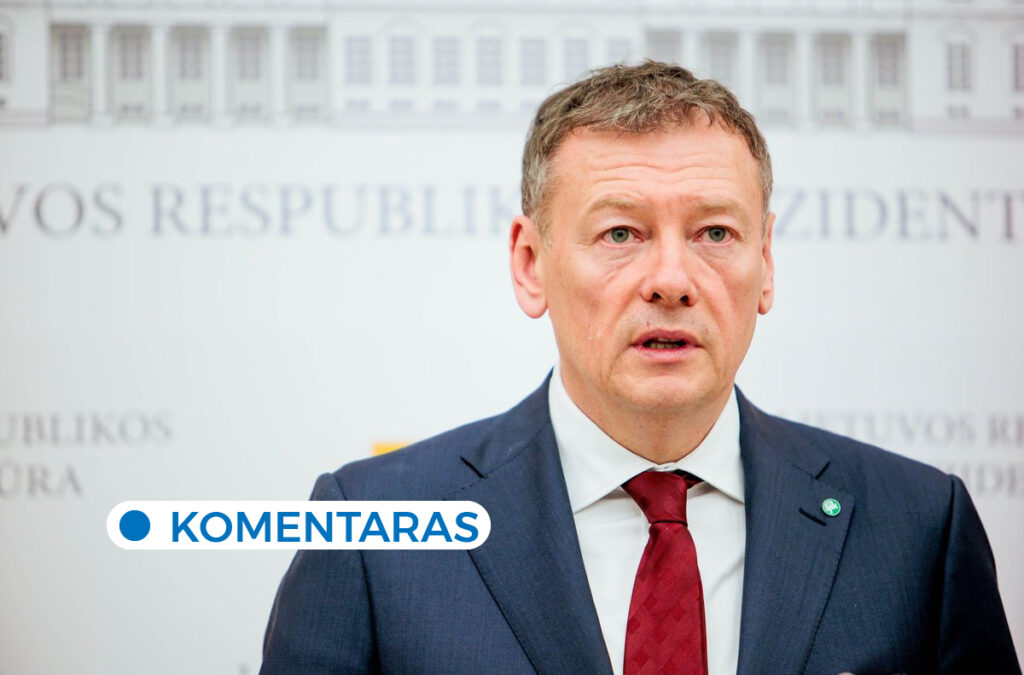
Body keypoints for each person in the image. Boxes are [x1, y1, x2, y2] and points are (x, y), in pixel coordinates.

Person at [260, 62, 1020, 674]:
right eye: (621, 233)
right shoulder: (368, 533)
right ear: (530, 264)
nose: (672, 280)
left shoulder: (918, 527)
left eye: (715, 232)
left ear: (766, 263)